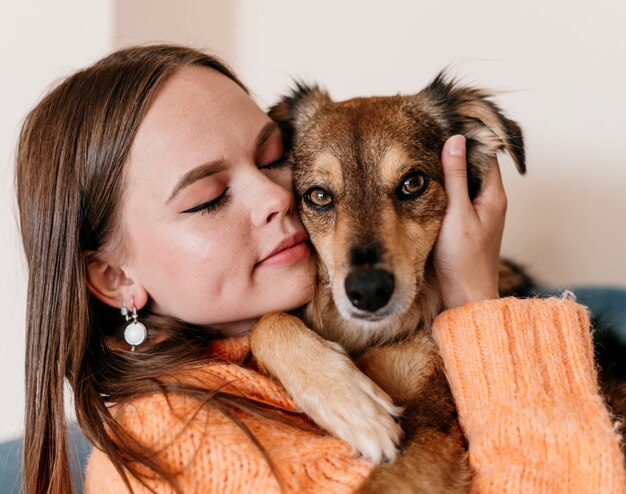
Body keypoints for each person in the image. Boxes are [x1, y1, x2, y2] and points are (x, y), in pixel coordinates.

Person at [15, 44, 625, 494]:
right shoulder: (169, 445)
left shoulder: (296, 335)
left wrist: (472, 299)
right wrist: (478, 308)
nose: (277, 198)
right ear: (116, 278)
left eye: (274, 159)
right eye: (208, 197)